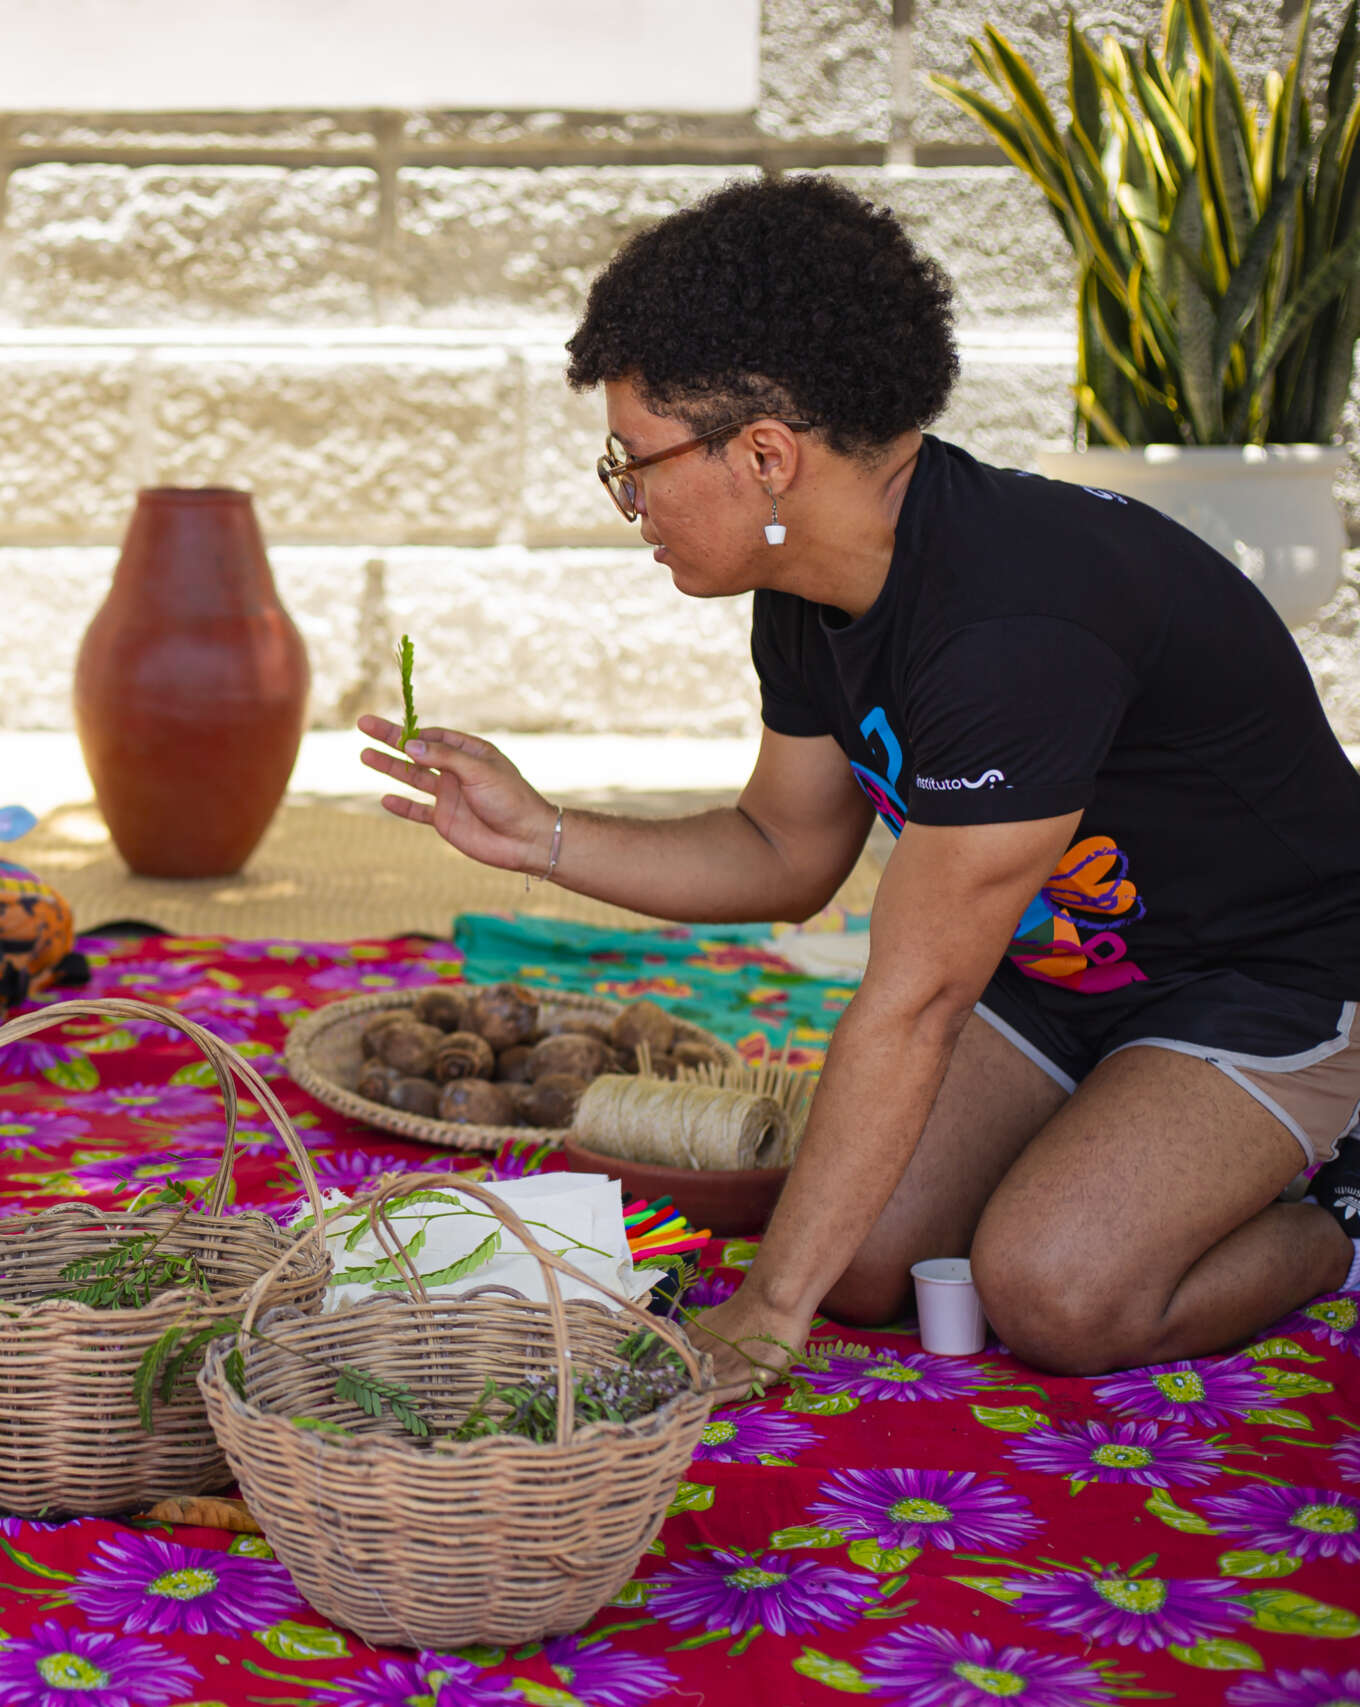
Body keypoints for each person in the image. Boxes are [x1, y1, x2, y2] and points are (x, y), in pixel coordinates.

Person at [362, 175, 1360, 1384]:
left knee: (1058, 1294)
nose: (630, 501)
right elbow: (785, 853)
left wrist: (771, 1310)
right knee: (876, 1265)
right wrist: (544, 837)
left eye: (635, 462)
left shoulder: (1012, 628)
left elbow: (914, 1000)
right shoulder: (809, 589)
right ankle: (1114, 1133)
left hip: (1265, 980)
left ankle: (1339, 1219)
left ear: (766, 456)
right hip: (1057, 979)